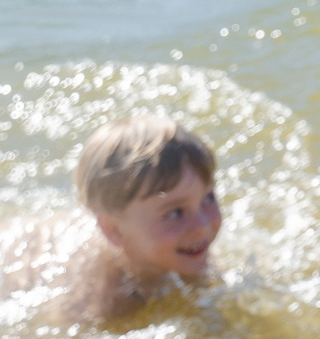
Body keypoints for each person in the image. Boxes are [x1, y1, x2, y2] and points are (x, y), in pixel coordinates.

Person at [51, 114, 225, 321]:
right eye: (175, 212)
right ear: (114, 230)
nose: (202, 225)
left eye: (208, 198)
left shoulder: (188, 249)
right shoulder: (99, 301)